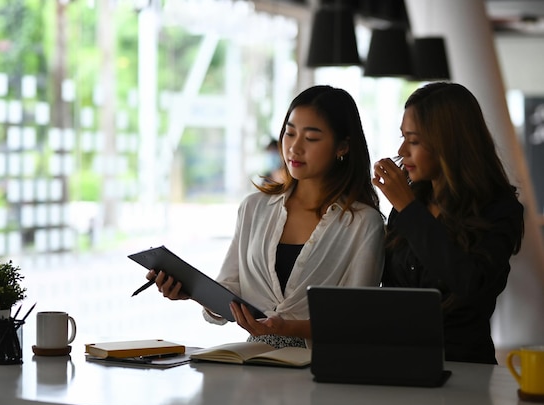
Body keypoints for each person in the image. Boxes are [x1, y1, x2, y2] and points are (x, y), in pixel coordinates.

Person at [148, 85, 385, 349]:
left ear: (342, 146)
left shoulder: (364, 223)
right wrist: (191, 292)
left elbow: (359, 320)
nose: (294, 148)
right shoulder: (254, 208)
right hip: (257, 363)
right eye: (290, 133)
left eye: (311, 138)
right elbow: (231, 288)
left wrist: (288, 327)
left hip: (323, 371)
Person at [372, 82, 524, 364]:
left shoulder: (499, 209)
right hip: (399, 361)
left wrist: (407, 208)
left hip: (463, 368)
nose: (402, 149)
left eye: (414, 140)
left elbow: (470, 284)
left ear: (449, 143)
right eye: (403, 137)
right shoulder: (411, 203)